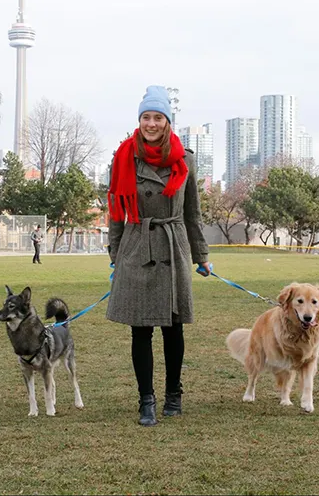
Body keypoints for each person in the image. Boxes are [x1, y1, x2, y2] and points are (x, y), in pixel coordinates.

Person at [106, 85, 211, 427]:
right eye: (146, 117)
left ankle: (174, 395)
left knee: (174, 329)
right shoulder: (123, 157)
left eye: (158, 117)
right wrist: (115, 252)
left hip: (173, 243)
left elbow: (193, 212)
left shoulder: (185, 159)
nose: (151, 124)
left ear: (167, 121)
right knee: (140, 329)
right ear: (139, 120)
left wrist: (201, 255)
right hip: (137, 244)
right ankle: (146, 399)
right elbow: (115, 210)